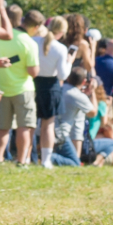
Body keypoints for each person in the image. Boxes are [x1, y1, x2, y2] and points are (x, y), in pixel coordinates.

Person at [0, 8, 42, 165]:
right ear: (36, 27)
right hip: (23, 89)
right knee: (24, 126)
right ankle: (22, 160)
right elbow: (33, 72)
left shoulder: (2, 36)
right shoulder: (29, 42)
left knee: (3, 127)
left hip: (3, 87)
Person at [33, 16, 73, 168]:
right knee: (48, 125)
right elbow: (63, 75)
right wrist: (69, 61)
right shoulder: (61, 48)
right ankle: (45, 160)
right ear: (62, 31)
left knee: (29, 123)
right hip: (50, 86)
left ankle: (26, 156)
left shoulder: (35, 41)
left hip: (34, 83)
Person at [53, 67, 97, 167]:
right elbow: (93, 113)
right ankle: (48, 158)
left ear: (68, 78)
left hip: (50, 131)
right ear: (84, 81)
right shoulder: (77, 95)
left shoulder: (60, 88)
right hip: (62, 136)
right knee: (75, 163)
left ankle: (44, 156)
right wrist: (92, 91)